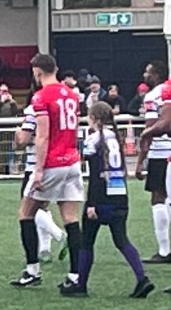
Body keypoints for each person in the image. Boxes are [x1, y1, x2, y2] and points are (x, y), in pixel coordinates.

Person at [60, 102, 153, 298]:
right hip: (120, 195)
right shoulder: (115, 138)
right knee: (122, 240)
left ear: (94, 118)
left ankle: (81, 284)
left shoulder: (94, 139)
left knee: (86, 242)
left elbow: (96, 174)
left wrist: (92, 203)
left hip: (101, 197)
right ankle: (142, 278)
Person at [10, 53, 84, 290]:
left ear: (37, 71)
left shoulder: (41, 96)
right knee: (71, 218)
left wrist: (39, 170)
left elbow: (42, 136)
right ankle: (75, 275)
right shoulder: (71, 94)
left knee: (26, 213)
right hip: (72, 160)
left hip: (52, 162)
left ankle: (32, 270)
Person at [13, 104, 67, 262]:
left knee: (29, 209)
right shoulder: (56, 108)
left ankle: (59, 235)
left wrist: (17, 133)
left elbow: (23, 140)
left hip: (35, 167)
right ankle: (45, 249)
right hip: (53, 164)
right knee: (41, 206)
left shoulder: (34, 111)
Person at [133, 60, 171, 264]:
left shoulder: (153, 96)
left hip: (160, 153)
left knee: (158, 198)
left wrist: (140, 161)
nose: (144, 75)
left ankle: (164, 250)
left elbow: (150, 130)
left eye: (148, 72)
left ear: (156, 75)